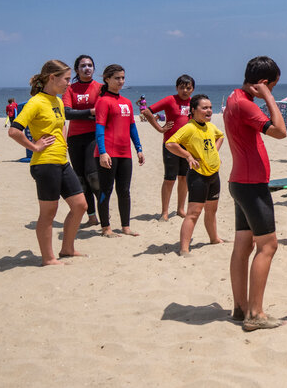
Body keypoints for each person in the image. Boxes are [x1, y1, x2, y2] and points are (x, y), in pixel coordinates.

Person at [224, 56, 287, 331]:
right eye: (272, 86)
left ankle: (240, 308)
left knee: (243, 246)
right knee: (268, 246)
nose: (272, 91)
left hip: (240, 181)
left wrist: (261, 94)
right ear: (263, 83)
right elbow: (281, 131)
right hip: (251, 185)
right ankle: (255, 314)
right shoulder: (245, 104)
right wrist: (268, 98)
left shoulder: (233, 98)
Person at [7, 60, 89, 266]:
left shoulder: (58, 102)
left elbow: (61, 125)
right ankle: (48, 258)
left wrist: (64, 143)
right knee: (49, 213)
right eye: (67, 79)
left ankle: (67, 249)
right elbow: (14, 131)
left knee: (80, 205)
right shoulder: (35, 102)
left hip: (62, 161)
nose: (69, 84)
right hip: (44, 163)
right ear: (52, 78)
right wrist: (35, 146)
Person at [165, 94, 225, 256]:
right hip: (198, 176)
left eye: (210, 107)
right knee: (194, 213)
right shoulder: (189, 127)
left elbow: (220, 137)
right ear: (193, 110)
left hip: (214, 174)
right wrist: (188, 156)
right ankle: (184, 249)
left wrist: (214, 153)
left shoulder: (210, 127)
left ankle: (214, 238)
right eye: (204, 108)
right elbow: (170, 144)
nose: (209, 111)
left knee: (212, 210)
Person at [95, 64, 145, 237]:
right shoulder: (103, 101)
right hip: (107, 153)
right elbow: (99, 128)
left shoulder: (127, 103)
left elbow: (132, 127)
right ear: (107, 79)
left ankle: (126, 226)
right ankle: (106, 228)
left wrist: (138, 148)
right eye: (117, 78)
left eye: (123, 78)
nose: (121, 81)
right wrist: (102, 152)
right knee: (106, 190)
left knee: (124, 190)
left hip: (125, 153)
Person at [145, 75, 195, 220]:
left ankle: (180, 209)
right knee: (169, 178)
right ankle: (165, 212)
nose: (185, 90)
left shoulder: (194, 103)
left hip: (188, 147)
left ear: (193, 89)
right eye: (182, 87)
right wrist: (160, 128)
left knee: (184, 178)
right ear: (176, 88)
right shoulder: (170, 100)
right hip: (170, 144)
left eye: (188, 87)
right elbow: (147, 111)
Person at [62, 54, 103, 227]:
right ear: (77, 69)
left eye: (90, 65)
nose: (87, 68)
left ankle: (105, 217)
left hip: (94, 136)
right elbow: (67, 113)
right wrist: (90, 113)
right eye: (83, 66)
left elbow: (102, 112)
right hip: (74, 137)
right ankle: (91, 217)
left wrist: (87, 113)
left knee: (93, 176)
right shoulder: (70, 89)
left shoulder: (101, 88)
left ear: (94, 68)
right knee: (80, 180)